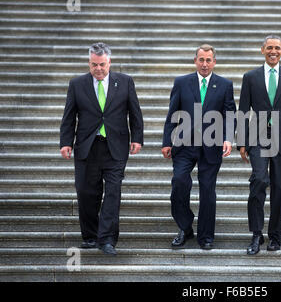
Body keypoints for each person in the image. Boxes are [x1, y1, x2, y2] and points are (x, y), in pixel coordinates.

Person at [60, 42, 144, 256]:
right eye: (94, 65)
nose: (98, 69)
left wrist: (137, 138)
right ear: (89, 63)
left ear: (110, 62)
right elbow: (69, 116)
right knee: (86, 192)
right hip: (87, 147)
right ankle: (90, 236)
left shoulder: (124, 82)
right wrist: (66, 141)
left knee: (113, 192)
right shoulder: (77, 84)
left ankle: (107, 240)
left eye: (102, 64)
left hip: (115, 147)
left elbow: (135, 113)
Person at [162, 44, 236, 250]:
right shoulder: (182, 82)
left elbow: (230, 115)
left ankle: (206, 236)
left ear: (214, 62)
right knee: (178, 182)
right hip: (185, 145)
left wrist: (228, 138)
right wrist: (167, 141)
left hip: (211, 146)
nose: (205, 64)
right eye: (201, 60)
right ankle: (185, 227)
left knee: (207, 190)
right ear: (195, 60)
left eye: (208, 60)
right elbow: (172, 114)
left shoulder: (224, 85)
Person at [237, 35, 281, 255]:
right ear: (262, 50)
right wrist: (242, 143)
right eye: (269, 48)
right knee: (258, 179)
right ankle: (256, 234)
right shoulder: (251, 77)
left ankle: (275, 236)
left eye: (277, 48)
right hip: (258, 137)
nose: (273, 51)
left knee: (280, 187)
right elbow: (243, 111)